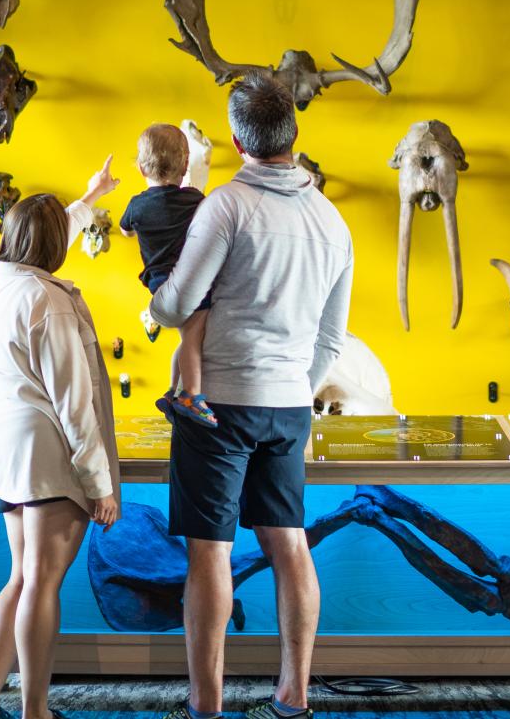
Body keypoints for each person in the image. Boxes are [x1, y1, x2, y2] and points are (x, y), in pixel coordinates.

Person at [149, 72, 354, 719]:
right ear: (293, 133)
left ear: (238, 142)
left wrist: (157, 302)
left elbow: (179, 301)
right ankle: (293, 699)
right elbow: (333, 338)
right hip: (290, 404)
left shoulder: (227, 206)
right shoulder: (333, 221)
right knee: (288, 541)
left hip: (220, 404)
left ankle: (205, 706)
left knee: (210, 550)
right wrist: (294, 382)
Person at [0, 156, 120, 719]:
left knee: (20, 577)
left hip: (5, 450)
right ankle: (35, 710)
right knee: (42, 584)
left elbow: (36, 234)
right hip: (47, 454)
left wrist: (89, 198)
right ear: (54, 246)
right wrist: (100, 485)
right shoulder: (48, 301)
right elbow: (74, 405)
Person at [120, 123, 216, 427]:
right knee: (193, 338)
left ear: (139, 168)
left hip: (158, 288)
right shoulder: (193, 200)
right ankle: (191, 394)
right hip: (187, 284)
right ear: (185, 165)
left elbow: (124, 230)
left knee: (187, 339)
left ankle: (173, 391)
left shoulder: (136, 205)